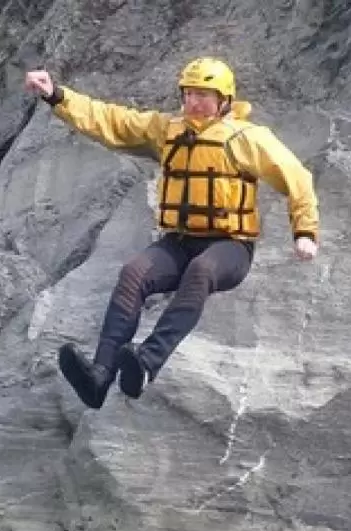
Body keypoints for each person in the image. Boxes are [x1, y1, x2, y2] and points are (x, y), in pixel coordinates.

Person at [22, 58, 320, 408]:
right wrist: (57, 95)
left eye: (204, 96)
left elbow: (297, 178)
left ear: (224, 100)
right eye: (189, 94)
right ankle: (99, 377)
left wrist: (305, 230)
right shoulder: (167, 130)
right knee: (133, 273)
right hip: (179, 242)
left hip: (231, 248)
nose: (194, 102)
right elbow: (111, 121)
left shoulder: (247, 138)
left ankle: (146, 363)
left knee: (202, 271)